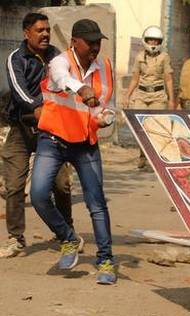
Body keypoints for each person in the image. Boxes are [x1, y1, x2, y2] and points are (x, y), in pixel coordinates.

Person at [30, 19, 116, 283]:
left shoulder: (105, 66)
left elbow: (108, 104)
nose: (95, 47)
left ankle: (106, 262)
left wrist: (106, 117)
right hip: (53, 140)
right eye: (90, 42)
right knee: (38, 195)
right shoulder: (59, 61)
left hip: (86, 143)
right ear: (74, 42)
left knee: (96, 203)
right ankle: (68, 238)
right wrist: (82, 88)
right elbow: (61, 78)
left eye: (98, 42)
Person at [1, 12, 75, 259]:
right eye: (39, 30)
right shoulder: (16, 58)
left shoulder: (57, 56)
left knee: (61, 185)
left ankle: (65, 233)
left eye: (47, 30)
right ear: (26, 33)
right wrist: (38, 106)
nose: (45, 34)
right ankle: (16, 239)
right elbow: (18, 91)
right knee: (13, 185)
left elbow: (67, 86)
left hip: (52, 129)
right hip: (21, 128)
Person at [123, 25, 175, 169]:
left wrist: (171, 100)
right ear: (145, 40)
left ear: (160, 42)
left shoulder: (164, 57)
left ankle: (156, 158)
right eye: (150, 40)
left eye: (156, 41)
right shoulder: (139, 57)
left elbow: (168, 79)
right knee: (140, 127)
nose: (153, 43)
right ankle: (142, 156)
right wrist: (127, 96)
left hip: (158, 96)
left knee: (156, 128)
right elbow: (135, 78)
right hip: (141, 95)